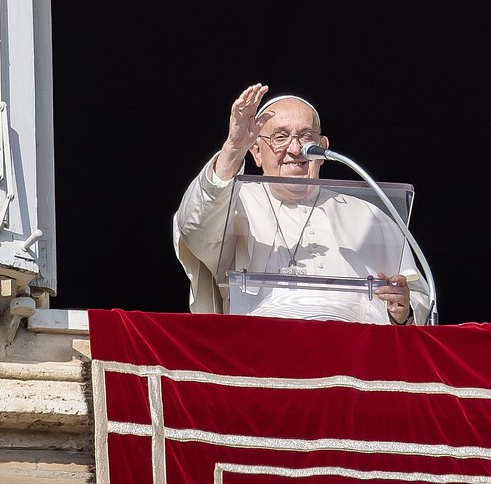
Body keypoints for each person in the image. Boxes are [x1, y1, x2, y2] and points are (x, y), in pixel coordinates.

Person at [174, 83, 426, 324]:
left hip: (355, 352)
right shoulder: (234, 201)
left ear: (323, 148)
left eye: (306, 137)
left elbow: (419, 299)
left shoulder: (369, 215)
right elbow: (195, 227)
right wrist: (233, 148)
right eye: (280, 137)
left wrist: (403, 311)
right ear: (256, 152)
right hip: (261, 347)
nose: (295, 149)